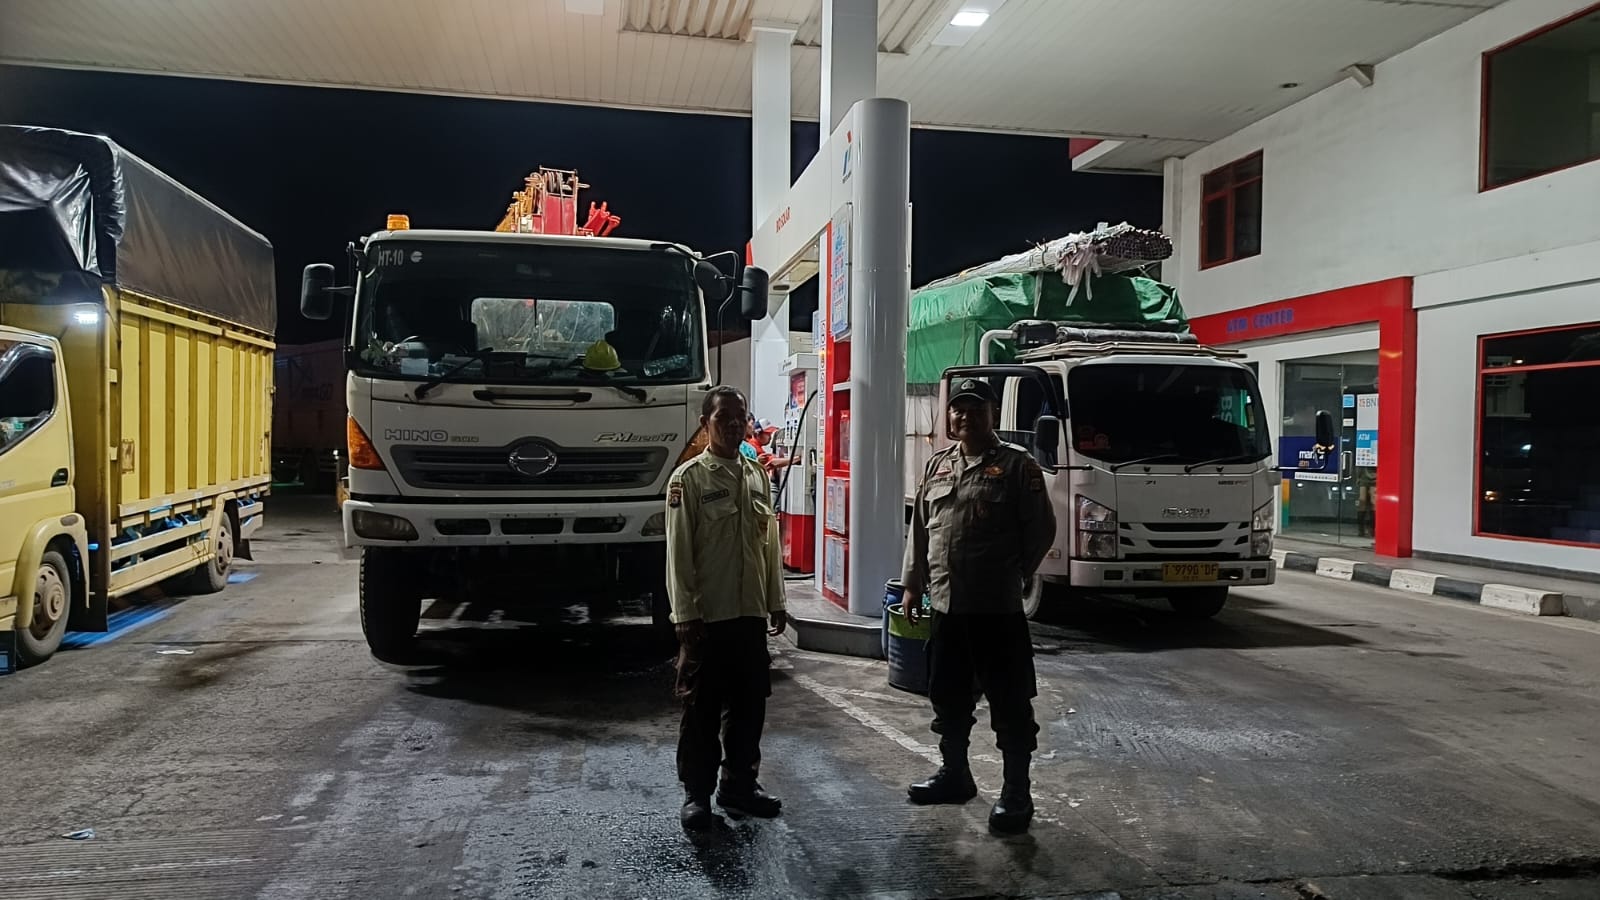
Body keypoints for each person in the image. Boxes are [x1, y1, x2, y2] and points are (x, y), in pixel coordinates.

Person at [900, 377, 1057, 835]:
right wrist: (912, 583)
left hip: (996, 610)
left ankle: (1016, 792)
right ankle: (955, 775)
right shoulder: (939, 465)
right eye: (958, 409)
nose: (964, 416)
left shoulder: (1017, 465)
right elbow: (921, 530)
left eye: (975, 408)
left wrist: (1016, 572)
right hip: (946, 607)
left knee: (1010, 702)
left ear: (993, 414)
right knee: (948, 697)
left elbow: (1041, 529)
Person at [665, 385, 788, 832]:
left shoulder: (756, 474)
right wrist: (684, 614)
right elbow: (678, 554)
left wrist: (776, 601)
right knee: (701, 711)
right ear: (706, 424)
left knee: (749, 706)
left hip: (749, 614)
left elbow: (768, 545)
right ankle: (697, 794)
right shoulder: (688, 480)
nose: (734, 425)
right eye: (724, 418)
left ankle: (739, 786)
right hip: (708, 617)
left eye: (741, 417)